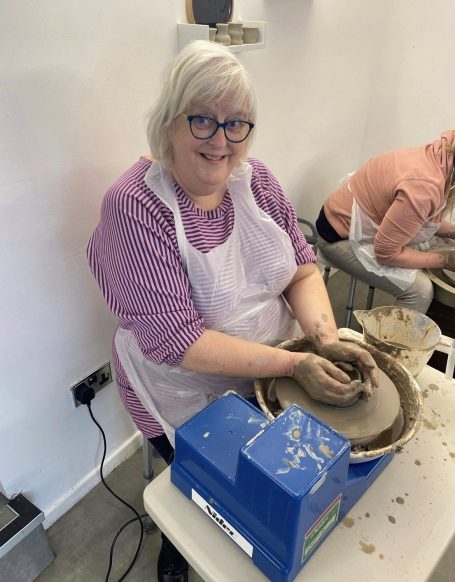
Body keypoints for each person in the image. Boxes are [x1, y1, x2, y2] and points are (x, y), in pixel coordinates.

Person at [88, 40, 378, 582]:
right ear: (169, 122)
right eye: (202, 120)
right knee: (206, 493)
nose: (221, 140)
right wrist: (294, 365)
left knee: (280, 490)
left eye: (236, 123)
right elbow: (181, 343)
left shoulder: (256, 179)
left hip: (276, 363)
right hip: (184, 385)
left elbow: (302, 270)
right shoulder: (136, 205)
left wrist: (322, 335)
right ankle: (182, 534)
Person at [316, 130, 455, 314]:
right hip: (338, 237)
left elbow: (425, 218)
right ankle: (396, 341)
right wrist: (445, 260)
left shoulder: (440, 155)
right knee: (420, 291)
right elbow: (386, 253)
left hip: (361, 223)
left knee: (438, 243)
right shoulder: (425, 185)